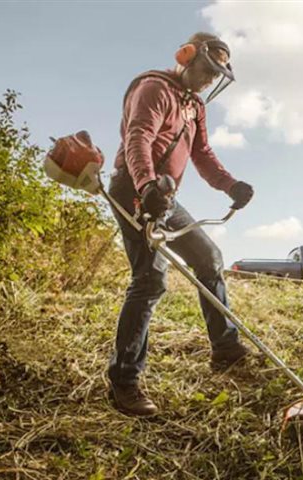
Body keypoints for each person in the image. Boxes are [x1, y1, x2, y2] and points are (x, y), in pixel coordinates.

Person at [107, 32, 254, 416]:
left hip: (166, 195)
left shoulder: (194, 106)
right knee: (150, 279)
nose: (208, 79)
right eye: (206, 69)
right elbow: (139, 137)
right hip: (133, 188)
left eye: (216, 74)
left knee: (208, 257)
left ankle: (225, 349)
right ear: (187, 56)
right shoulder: (154, 88)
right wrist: (147, 186)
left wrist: (230, 185)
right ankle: (124, 381)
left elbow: (202, 153)